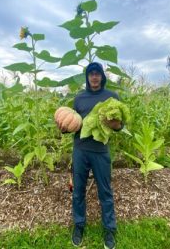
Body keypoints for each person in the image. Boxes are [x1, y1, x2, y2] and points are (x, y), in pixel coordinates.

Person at [59, 62, 122, 249]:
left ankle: (109, 229)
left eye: (98, 73)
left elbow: (120, 126)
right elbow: (72, 124)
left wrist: (113, 124)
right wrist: (63, 128)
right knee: (78, 191)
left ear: (102, 77)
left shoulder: (112, 97)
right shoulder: (79, 99)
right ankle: (79, 225)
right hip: (80, 150)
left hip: (101, 152)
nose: (94, 77)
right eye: (91, 74)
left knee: (105, 191)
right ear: (87, 77)